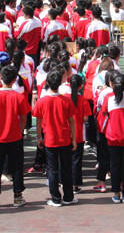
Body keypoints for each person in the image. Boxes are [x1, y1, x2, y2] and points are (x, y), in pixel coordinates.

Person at [0, 64, 30, 209]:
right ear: (15, 79)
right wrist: (20, 130)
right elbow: (24, 116)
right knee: (17, 167)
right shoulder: (18, 97)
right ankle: (18, 196)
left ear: (1, 77)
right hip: (15, 136)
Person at [32, 70, 77, 207]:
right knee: (66, 168)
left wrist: (39, 137)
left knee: (52, 169)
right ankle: (68, 196)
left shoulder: (42, 101)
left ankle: (56, 198)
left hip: (50, 139)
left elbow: (38, 122)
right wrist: (74, 139)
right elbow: (72, 121)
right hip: (64, 138)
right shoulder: (66, 100)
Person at [100, 74, 124, 203]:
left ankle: (116, 193)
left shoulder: (108, 99)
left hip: (113, 137)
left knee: (115, 165)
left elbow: (104, 112)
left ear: (112, 85)